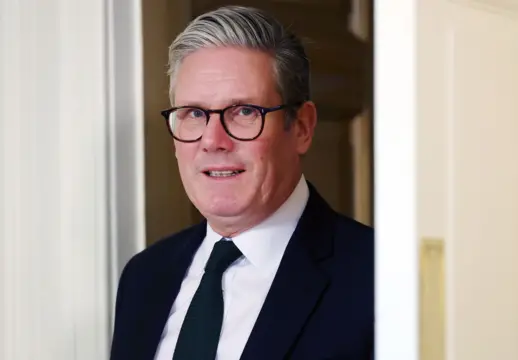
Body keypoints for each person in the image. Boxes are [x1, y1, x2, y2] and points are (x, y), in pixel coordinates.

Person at [109, 5, 374, 360]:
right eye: (194, 114)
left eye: (245, 111)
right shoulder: (144, 277)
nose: (213, 140)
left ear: (302, 127)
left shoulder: (377, 276)